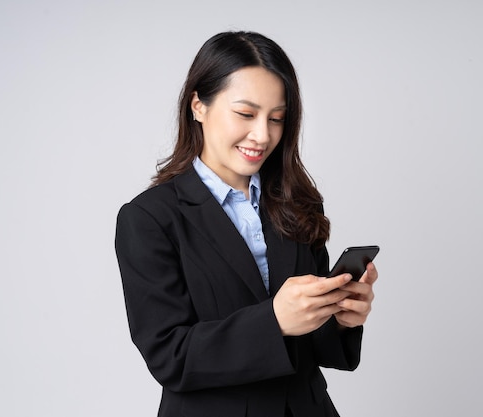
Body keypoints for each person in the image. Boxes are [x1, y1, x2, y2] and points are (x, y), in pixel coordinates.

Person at [115, 31, 378, 417]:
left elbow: (310, 346)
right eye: (245, 114)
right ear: (198, 106)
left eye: (277, 119)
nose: (262, 135)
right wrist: (274, 320)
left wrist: (340, 318)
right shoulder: (149, 218)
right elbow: (170, 356)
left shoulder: (297, 202)